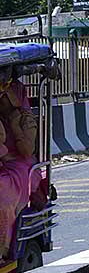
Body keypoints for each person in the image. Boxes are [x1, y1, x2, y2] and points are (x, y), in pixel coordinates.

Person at [0, 65, 36, 261]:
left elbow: (26, 151)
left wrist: (15, 127)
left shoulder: (25, 120)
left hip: (19, 168)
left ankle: (2, 248)